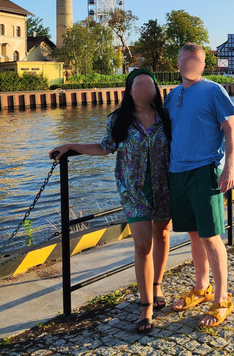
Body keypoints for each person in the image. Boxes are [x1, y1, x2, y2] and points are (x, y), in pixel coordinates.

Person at [50, 68, 172, 334]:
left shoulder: (165, 115)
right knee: (142, 245)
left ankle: (157, 285)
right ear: (129, 91)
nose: (143, 90)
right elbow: (105, 147)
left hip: (164, 187)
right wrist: (71, 146)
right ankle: (146, 307)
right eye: (138, 85)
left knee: (162, 235)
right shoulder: (120, 119)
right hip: (133, 191)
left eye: (148, 85)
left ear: (155, 89)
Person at [166, 43, 234, 328]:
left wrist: (229, 167)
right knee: (194, 235)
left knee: (210, 237)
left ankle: (222, 298)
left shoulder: (213, 90)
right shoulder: (173, 96)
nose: (189, 64)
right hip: (177, 172)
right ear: (178, 62)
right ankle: (201, 288)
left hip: (204, 170)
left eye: (195, 60)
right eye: (185, 59)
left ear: (203, 64)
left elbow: (230, 130)